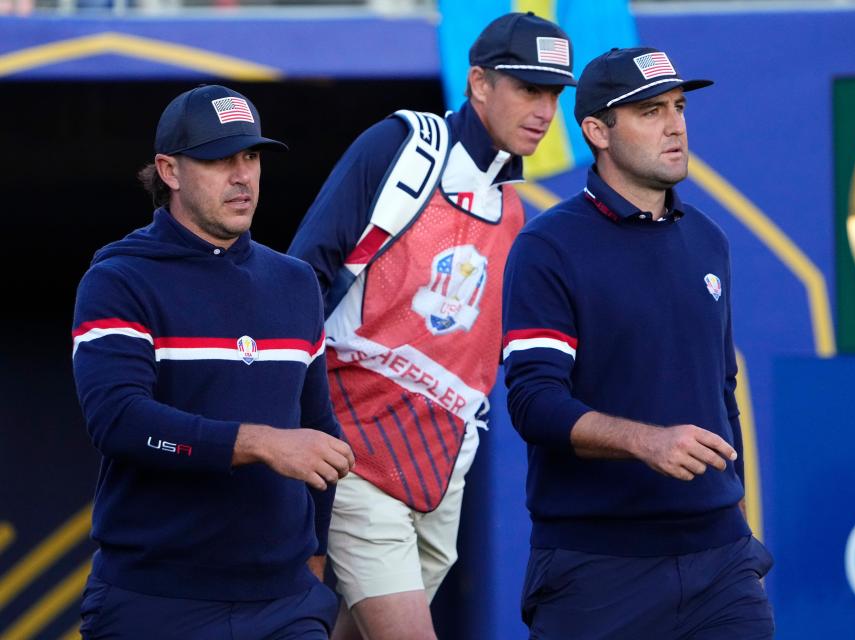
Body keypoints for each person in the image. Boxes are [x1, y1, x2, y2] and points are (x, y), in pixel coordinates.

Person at [287, 12, 576, 640]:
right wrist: (300, 423)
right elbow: (301, 274)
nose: (545, 109)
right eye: (529, 89)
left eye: (554, 94)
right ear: (477, 83)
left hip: (441, 467)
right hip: (354, 446)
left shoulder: (514, 211)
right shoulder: (401, 145)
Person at [501, 47, 775, 639]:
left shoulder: (709, 240)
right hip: (598, 569)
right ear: (597, 131)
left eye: (678, 107)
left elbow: (720, 391)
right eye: (650, 111)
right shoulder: (548, 245)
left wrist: (738, 515)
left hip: (720, 562)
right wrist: (644, 442)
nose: (675, 124)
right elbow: (534, 403)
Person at [71, 84, 355, 639]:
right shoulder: (119, 278)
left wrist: (314, 557)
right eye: (219, 159)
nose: (242, 176)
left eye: (250, 157)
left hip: (285, 602)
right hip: (157, 599)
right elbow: (119, 421)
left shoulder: (294, 282)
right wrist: (258, 443)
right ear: (168, 171)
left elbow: (316, 429)